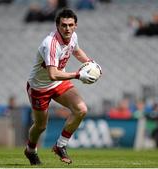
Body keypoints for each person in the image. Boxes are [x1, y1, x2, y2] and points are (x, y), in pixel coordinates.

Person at [24, 8, 101, 165]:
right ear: (57, 26)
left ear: (75, 26)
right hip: (40, 87)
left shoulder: (73, 37)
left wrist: (91, 63)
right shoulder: (51, 44)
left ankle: (60, 145)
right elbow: (53, 73)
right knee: (41, 125)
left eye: (70, 25)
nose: (67, 28)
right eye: (63, 25)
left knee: (81, 110)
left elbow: (77, 51)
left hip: (59, 83)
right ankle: (30, 150)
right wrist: (79, 75)